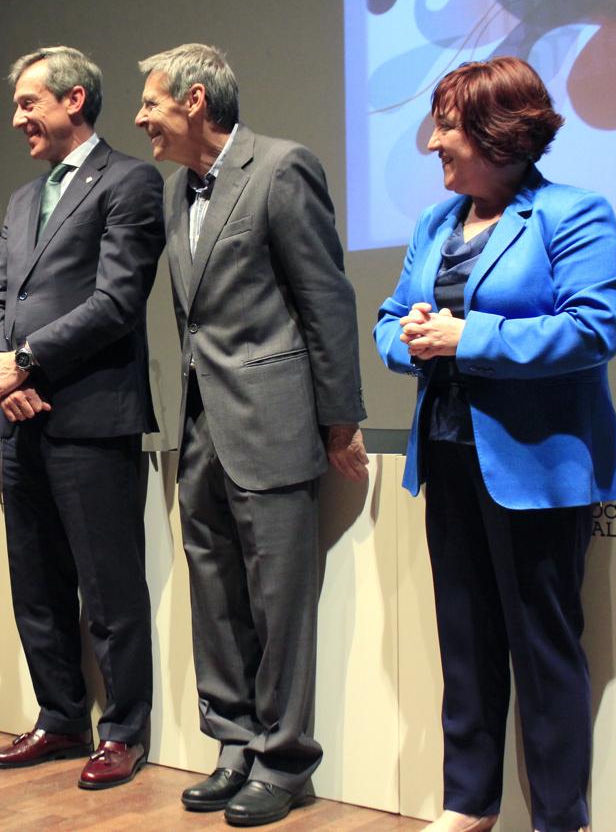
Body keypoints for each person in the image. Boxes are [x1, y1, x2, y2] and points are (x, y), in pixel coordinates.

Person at [374, 56, 616, 832]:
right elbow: (390, 320)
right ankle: (469, 804)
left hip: (536, 468)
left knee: (544, 653)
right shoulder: (434, 225)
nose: (431, 144)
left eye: (446, 126)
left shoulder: (574, 214)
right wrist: (411, 341)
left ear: (498, 134)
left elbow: (594, 329)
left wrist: (466, 336)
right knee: (467, 642)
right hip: (447, 456)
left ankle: (560, 818)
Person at [133, 43, 367, 826]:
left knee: (278, 602)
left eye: (153, 104)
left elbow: (326, 301)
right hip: (201, 426)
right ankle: (233, 744)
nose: (141, 119)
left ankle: (286, 759)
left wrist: (340, 420)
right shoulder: (175, 192)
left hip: (271, 422)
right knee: (216, 597)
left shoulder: (280, 168)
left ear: (196, 100)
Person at [0, 46, 164, 789]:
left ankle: (123, 731)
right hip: (19, 416)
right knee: (37, 584)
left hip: (89, 415)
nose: (17, 117)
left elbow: (118, 300)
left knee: (109, 588)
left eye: (29, 102)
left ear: (74, 100)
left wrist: (28, 359)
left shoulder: (129, 180)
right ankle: (59, 718)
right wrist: (4, 370)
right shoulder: (23, 201)